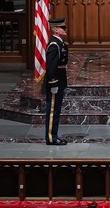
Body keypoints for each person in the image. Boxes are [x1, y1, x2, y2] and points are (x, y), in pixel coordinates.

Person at [43, 17, 69, 145]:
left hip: (60, 80)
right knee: (53, 110)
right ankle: (51, 137)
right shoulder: (54, 45)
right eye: (62, 27)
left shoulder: (60, 43)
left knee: (57, 110)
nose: (65, 29)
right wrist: (53, 83)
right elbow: (51, 66)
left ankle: (54, 135)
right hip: (55, 81)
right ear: (55, 30)